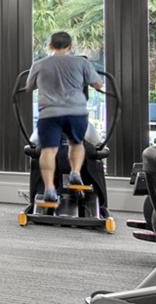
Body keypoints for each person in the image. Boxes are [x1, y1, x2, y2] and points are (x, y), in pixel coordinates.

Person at [25, 30, 103, 209]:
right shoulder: (82, 62)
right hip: (76, 112)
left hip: (50, 113)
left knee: (48, 150)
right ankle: (75, 172)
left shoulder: (39, 64)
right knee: (77, 144)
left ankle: (50, 189)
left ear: (50, 46)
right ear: (70, 46)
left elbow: (29, 87)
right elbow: (98, 85)